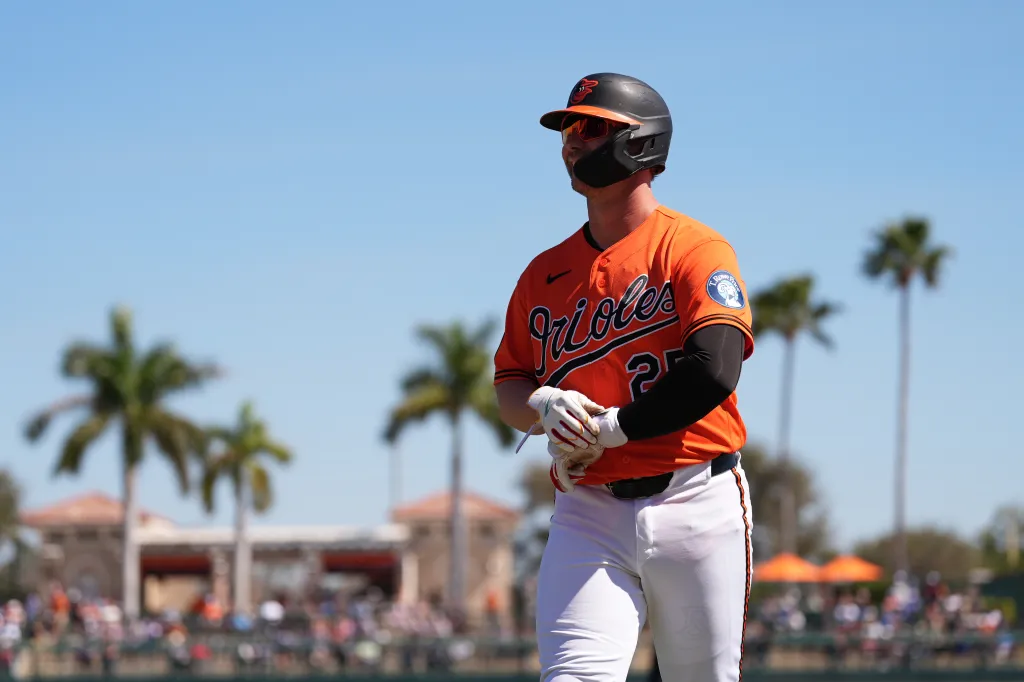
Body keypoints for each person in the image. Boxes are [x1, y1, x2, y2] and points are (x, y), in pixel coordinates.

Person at [493, 72, 755, 682]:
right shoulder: (543, 273)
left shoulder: (693, 248)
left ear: (642, 141)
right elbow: (509, 384)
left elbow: (715, 369)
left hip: (695, 497)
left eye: (590, 127)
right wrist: (542, 404)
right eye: (567, 128)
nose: (571, 140)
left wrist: (612, 428)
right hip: (587, 507)